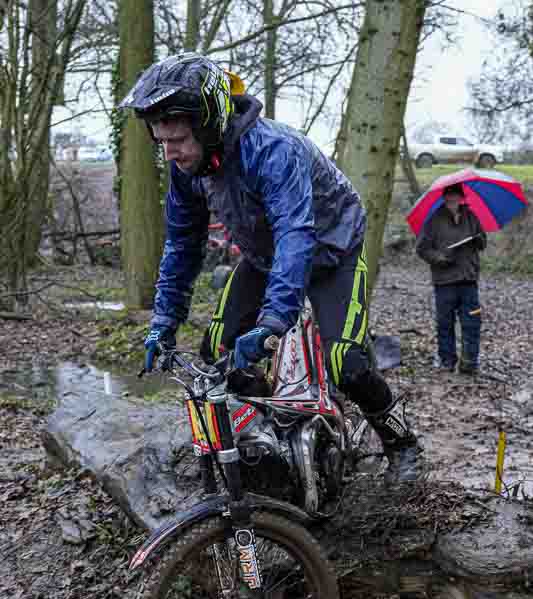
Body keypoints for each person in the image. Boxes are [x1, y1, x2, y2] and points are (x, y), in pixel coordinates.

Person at [118, 52, 419, 483]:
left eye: (178, 140)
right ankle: (273, 434)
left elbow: (297, 236)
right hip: (263, 255)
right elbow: (182, 244)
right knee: (219, 348)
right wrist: (164, 320)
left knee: (345, 362)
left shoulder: (274, 151)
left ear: (207, 125)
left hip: (333, 251)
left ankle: (401, 442)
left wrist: (273, 321)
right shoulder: (187, 168)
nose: (169, 153)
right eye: (160, 142)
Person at [416, 183, 487, 375]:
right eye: (449, 196)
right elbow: (422, 249)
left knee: (472, 322)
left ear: (461, 197)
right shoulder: (434, 221)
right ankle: (447, 360)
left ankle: (469, 361)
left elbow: (483, 241)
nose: (453, 199)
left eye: (456, 196)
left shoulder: (471, 217)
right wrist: (440, 258)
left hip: (468, 278)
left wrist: (479, 239)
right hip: (444, 280)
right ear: (444, 198)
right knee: (445, 323)